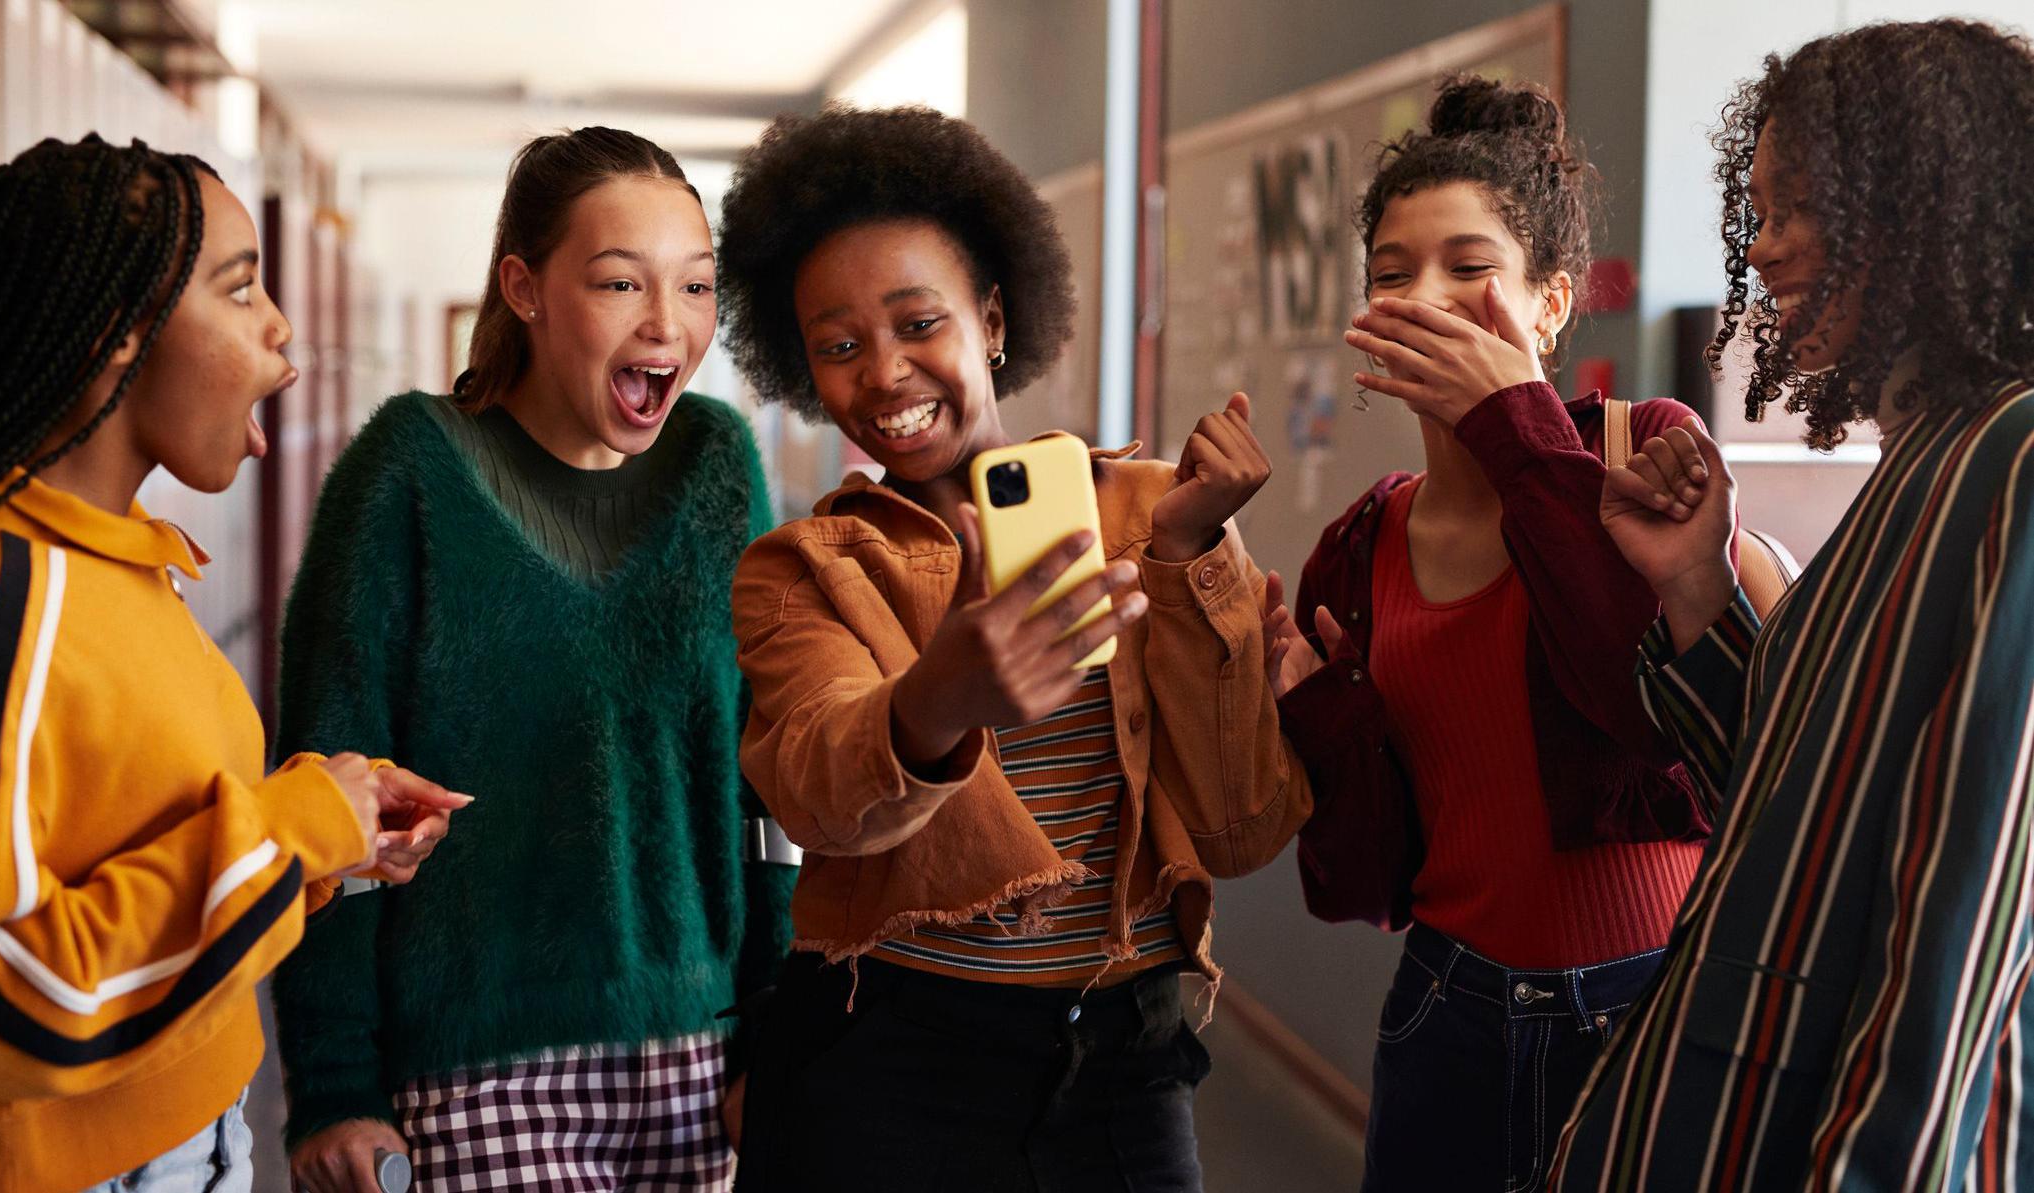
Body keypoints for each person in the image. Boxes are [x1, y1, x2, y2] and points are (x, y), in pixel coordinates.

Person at [713, 104, 1311, 1192]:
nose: (886, 372)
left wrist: (1193, 566)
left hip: (1123, 1061)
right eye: (838, 346)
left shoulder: (1154, 513)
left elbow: (1239, 827)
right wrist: (942, 694)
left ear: (991, 317)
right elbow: (817, 794)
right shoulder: (804, 566)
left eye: (917, 323)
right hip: (884, 1058)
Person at [0, 134, 463, 1193]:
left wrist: (314, 857)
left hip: (188, 1137)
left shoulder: (118, 564)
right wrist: (290, 829)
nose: (280, 325)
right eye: (240, 285)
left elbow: (124, 856)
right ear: (118, 333)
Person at [1262, 75, 1779, 1191]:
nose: (1427, 298)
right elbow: (1354, 879)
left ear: (1549, 303)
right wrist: (1318, 712)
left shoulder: (1642, 452)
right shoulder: (1360, 545)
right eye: (1392, 274)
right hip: (1449, 1011)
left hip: (1647, 1006)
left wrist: (1511, 422)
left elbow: (1636, 703)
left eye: (1470, 269)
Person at [1548, 19, 2034, 1189]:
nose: (1763, 251)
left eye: (1799, 205)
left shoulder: (2014, 460)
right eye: (1757, 212)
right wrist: (1697, 583)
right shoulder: (1930, 452)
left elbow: (1959, 946)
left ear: (1925, 208)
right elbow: (1786, 801)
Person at [270, 127, 793, 1192]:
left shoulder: (719, 467)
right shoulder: (407, 472)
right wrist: (332, 1083)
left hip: (699, 1058)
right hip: (475, 1071)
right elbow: (324, 793)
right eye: (619, 282)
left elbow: (763, 783)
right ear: (525, 286)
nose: (669, 324)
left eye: (696, 286)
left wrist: (775, 1038)